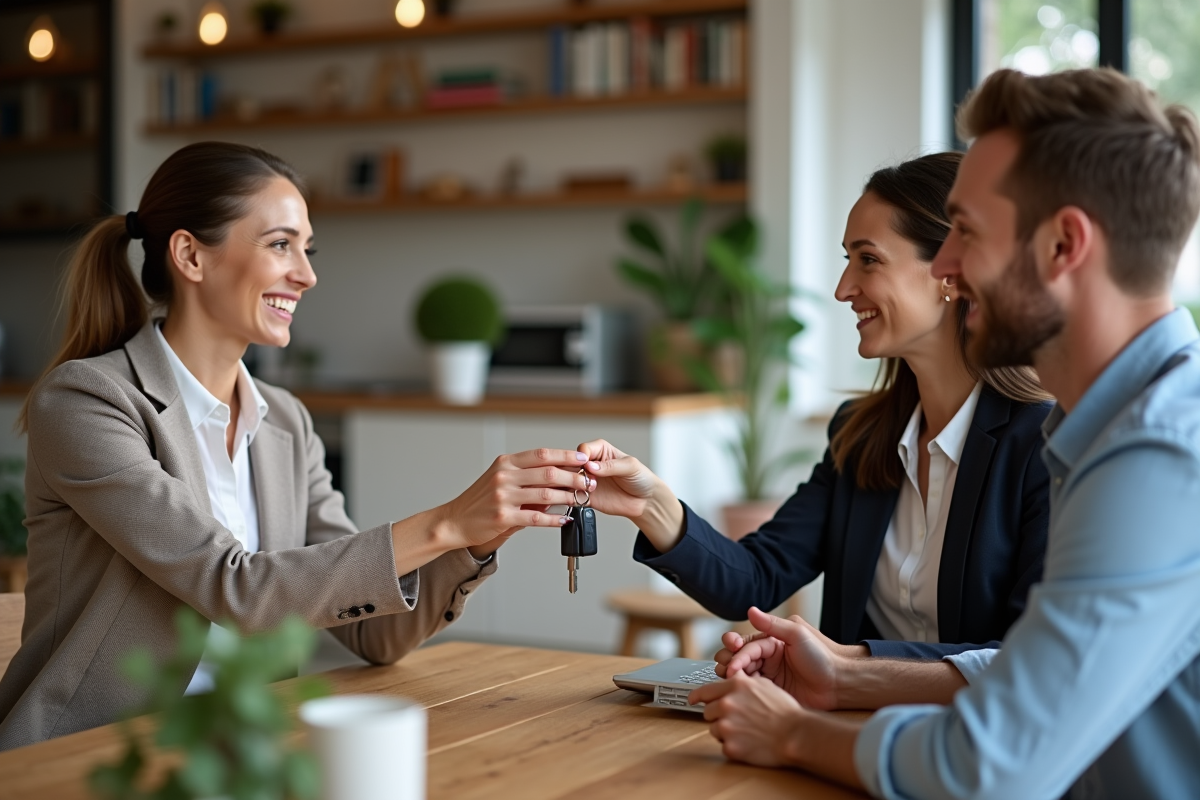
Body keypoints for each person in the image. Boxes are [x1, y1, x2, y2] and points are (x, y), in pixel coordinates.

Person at [691, 67, 1200, 799]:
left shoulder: (1158, 455)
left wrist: (794, 735)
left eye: (968, 231)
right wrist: (847, 675)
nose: (950, 267)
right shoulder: (1107, 428)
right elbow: (1033, 669)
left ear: (1064, 245)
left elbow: (991, 764)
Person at [0, 142, 594, 750]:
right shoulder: (87, 402)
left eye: (307, 250)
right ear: (190, 256)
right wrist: (446, 522)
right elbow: (234, 589)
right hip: (94, 752)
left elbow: (374, 634)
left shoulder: (284, 421)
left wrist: (474, 539)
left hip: (250, 747)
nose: (306, 275)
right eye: (281, 244)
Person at [580, 152, 1052, 659]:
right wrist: (649, 503)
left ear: (951, 274)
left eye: (868, 259)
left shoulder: (1045, 446)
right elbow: (754, 579)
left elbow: (1030, 660)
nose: (843, 289)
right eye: (847, 260)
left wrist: (846, 668)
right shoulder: (861, 436)